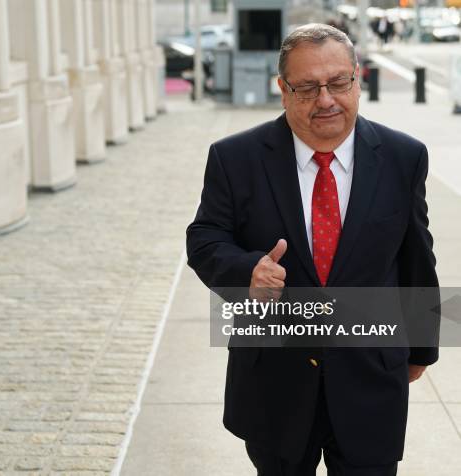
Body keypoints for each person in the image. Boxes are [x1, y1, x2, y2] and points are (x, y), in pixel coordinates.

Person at [186, 24, 439, 475]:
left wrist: (420, 349)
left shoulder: (404, 157)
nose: (325, 99)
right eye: (307, 87)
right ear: (283, 90)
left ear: (357, 79)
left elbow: (415, 257)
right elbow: (204, 238)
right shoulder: (235, 158)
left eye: (338, 82)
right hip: (273, 382)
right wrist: (247, 272)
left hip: (369, 378)